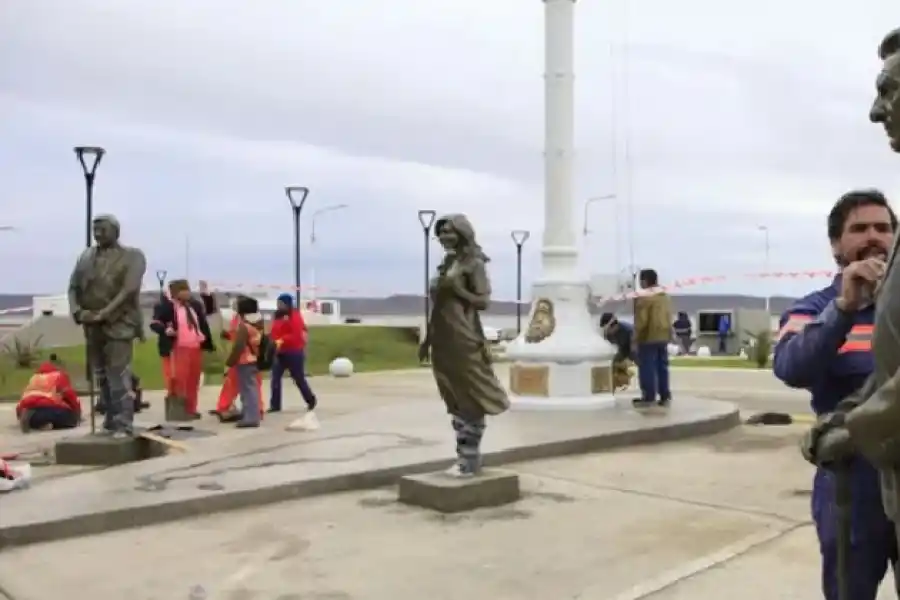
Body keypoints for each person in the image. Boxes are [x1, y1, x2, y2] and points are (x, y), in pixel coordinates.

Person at [775, 189, 898, 600]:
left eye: (884, 228)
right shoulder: (813, 308)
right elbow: (791, 367)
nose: (874, 236)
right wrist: (844, 308)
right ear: (835, 245)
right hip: (851, 481)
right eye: (859, 228)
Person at [417, 214, 509, 477]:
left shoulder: (473, 264)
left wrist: (459, 290)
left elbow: (483, 302)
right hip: (442, 337)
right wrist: (428, 339)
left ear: (462, 232)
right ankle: (464, 457)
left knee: (470, 396)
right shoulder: (446, 264)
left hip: (463, 336)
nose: (444, 236)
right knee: (453, 396)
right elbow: (439, 306)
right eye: (441, 232)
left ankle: (469, 459)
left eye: (449, 231)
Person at [68, 214, 146, 438]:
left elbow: (129, 290)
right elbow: (73, 287)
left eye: (103, 230)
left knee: (118, 375)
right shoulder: (86, 256)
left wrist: (105, 312)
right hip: (92, 325)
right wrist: (77, 311)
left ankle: (124, 423)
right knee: (101, 375)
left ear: (115, 231)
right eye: (95, 230)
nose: (98, 234)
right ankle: (110, 420)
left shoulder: (132, 256)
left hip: (119, 324)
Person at [149, 279, 216, 420]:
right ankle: (178, 409)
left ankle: (191, 409)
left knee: (193, 379)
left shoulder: (194, 305)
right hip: (177, 348)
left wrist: (206, 295)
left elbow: (209, 311)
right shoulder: (166, 306)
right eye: (182, 290)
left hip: (195, 346)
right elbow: (154, 323)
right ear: (175, 292)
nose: (186, 293)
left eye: (187, 289)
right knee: (178, 379)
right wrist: (165, 330)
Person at [269, 293, 318, 427]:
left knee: (298, 378)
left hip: (293, 351)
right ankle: (275, 404)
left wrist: (282, 340)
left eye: (281, 304)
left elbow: (295, 333)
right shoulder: (277, 316)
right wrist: (272, 341)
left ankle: (310, 399)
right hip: (279, 352)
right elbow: (274, 331)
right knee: (275, 378)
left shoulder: (294, 316)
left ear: (288, 304)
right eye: (278, 303)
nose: (279, 306)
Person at [632, 268, 673, 409]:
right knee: (662, 367)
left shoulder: (644, 298)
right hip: (664, 335)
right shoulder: (665, 296)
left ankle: (648, 396)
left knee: (647, 367)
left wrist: (635, 338)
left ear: (645, 281)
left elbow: (641, 321)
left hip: (648, 336)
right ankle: (664, 395)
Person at [224, 296, 265, 428]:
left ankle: (251, 417)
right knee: (252, 389)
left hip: (245, 361)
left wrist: (229, 362)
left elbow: (239, 346)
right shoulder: (258, 323)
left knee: (247, 390)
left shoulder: (244, 326)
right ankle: (251, 413)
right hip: (255, 359)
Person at [16, 353, 82, 433]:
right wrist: (77, 412)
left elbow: (23, 398)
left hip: (27, 408)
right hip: (48, 407)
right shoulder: (58, 376)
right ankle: (45, 422)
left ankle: (37, 423)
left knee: (38, 415)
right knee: (71, 420)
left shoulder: (34, 377)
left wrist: (19, 412)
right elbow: (69, 395)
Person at [599, 312, 635, 390]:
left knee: (633, 360)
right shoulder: (608, 334)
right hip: (623, 348)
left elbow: (634, 347)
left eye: (608, 330)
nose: (607, 333)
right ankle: (617, 384)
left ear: (614, 325)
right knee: (615, 362)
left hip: (636, 347)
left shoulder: (628, 330)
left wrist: (629, 360)